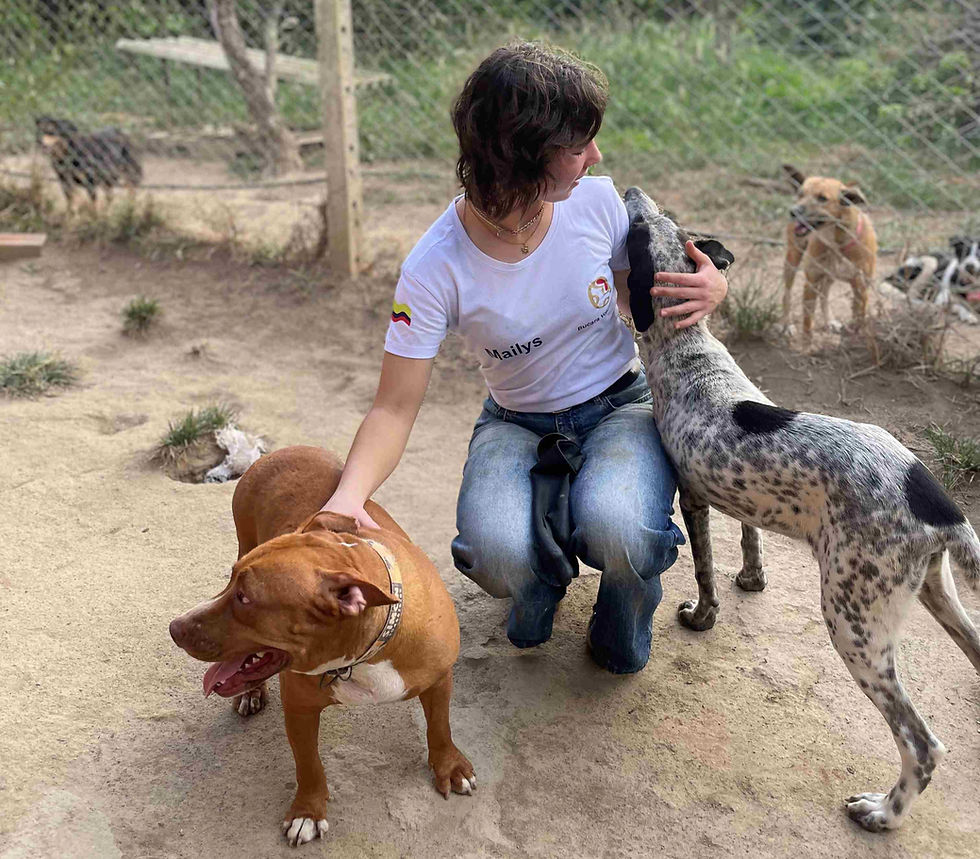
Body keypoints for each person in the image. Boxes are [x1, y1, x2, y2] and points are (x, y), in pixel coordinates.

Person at [321, 42, 728, 674]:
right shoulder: (434, 268)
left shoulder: (594, 203)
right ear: (519, 154)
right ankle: (544, 573)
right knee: (495, 553)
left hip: (619, 404)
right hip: (518, 420)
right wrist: (348, 498)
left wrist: (712, 288)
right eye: (577, 145)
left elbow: (648, 284)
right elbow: (394, 407)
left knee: (622, 533)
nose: (595, 158)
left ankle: (619, 611)